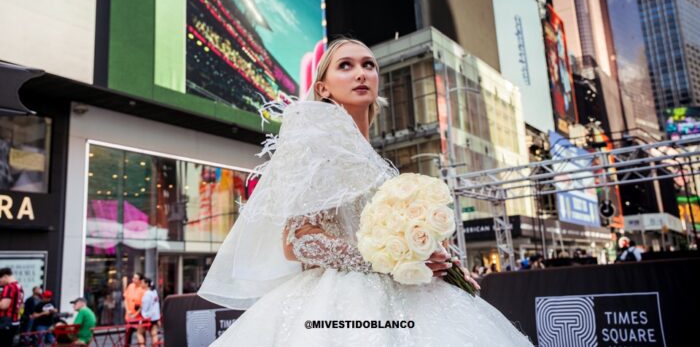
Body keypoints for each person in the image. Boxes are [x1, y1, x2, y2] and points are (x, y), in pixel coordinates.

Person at [198, 38, 532, 345]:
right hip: (341, 304)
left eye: (368, 65)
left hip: (405, 293)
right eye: (346, 65)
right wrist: (393, 258)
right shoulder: (318, 143)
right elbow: (298, 242)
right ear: (323, 88)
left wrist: (439, 262)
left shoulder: (368, 154)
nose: (361, 73)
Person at [0, 267, 24, 346]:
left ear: (5, 276)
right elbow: (22, 306)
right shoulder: (19, 287)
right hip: (15, 321)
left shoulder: (9, 287)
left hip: (6, 322)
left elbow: (4, 305)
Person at [138, 278, 160, 345]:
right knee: (154, 334)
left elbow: (145, 308)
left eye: (142, 283)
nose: (141, 284)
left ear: (146, 284)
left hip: (147, 317)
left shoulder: (147, 294)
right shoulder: (154, 292)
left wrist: (140, 311)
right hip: (155, 317)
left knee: (139, 333)